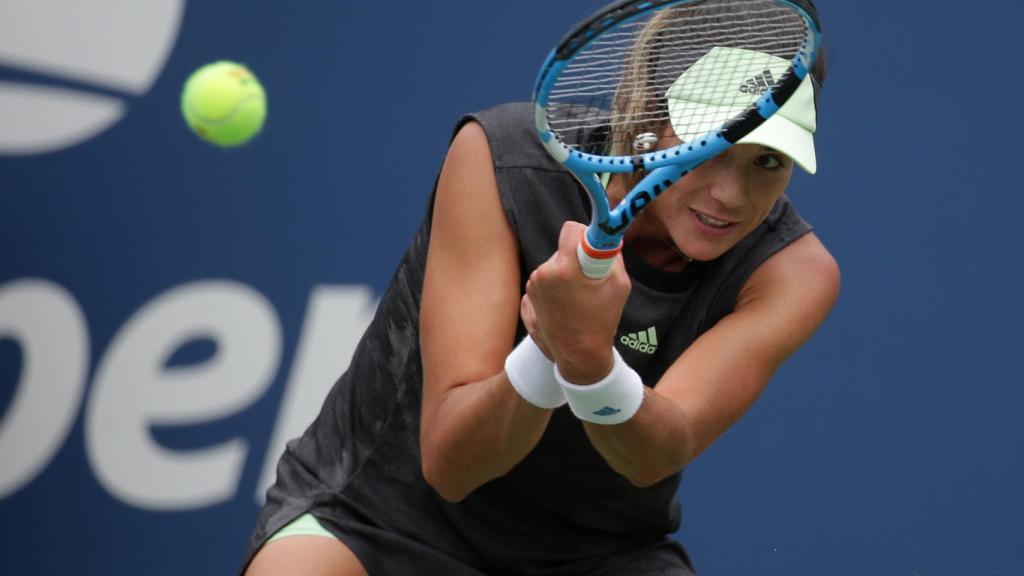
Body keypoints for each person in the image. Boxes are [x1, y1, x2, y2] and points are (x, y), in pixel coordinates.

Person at [244, 2, 837, 574]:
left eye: (767, 162)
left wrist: (585, 356)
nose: (730, 196)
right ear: (648, 116)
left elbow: (653, 455)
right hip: (376, 519)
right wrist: (548, 349)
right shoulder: (503, 160)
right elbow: (453, 464)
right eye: (710, 145)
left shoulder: (790, 274)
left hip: (599, 556)